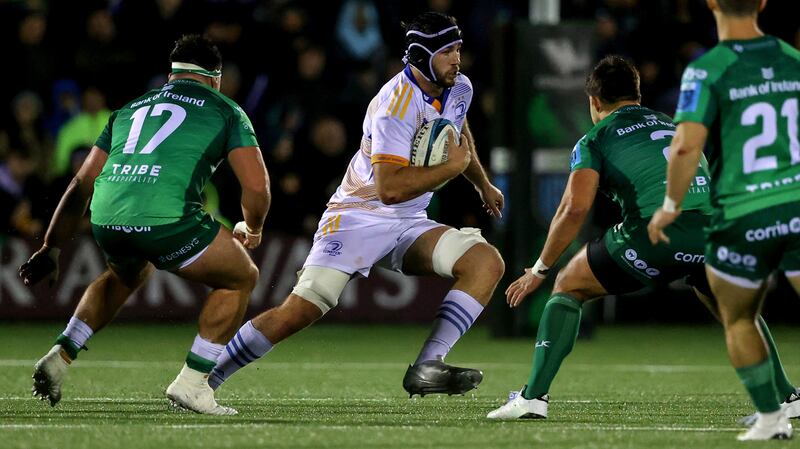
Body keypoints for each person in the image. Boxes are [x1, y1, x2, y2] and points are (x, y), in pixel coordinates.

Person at [206, 11, 505, 398]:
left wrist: (480, 182)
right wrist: (453, 167)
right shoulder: (394, 105)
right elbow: (389, 190)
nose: (457, 58)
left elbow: (456, 126)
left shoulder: (459, 86)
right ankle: (206, 378)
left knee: (485, 262)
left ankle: (428, 364)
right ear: (422, 55)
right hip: (356, 219)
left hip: (409, 221)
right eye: (447, 51)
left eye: (458, 48)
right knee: (300, 311)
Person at [486, 55, 798, 423]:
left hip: (657, 235)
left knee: (569, 286)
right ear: (637, 93)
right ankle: (786, 397)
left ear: (595, 102)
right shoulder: (671, 123)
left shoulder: (595, 138)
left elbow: (573, 208)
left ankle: (532, 398)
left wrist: (539, 269)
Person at [20, 35, 270, 416]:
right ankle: (193, 383)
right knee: (240, 276)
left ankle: (62, 352)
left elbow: (79, 185)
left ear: (172, 75)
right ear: (215, 78)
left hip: (106, 218)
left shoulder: (129, 108)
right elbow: (256, 187)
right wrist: (252, 228)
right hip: (166, 219)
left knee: (125, 274)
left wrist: (51, 247)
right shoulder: (226, 109)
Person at [647, 0, 800, 441]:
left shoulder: (707, 68)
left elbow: (684, 146)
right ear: (764, 4)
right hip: (795, 203)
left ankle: (772, 420)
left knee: (738, 318)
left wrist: (671, 204)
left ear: (712, 3)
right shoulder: (792, 60)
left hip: (743, 211)